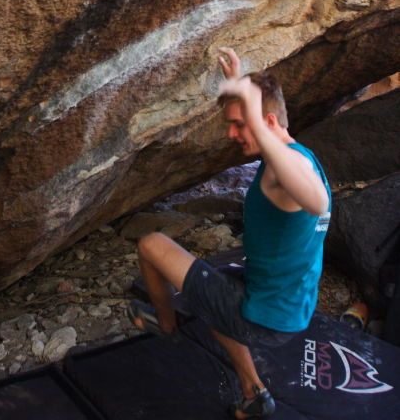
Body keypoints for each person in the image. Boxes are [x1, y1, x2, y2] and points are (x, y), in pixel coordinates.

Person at [128, 48, 331, 418]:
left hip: (263, 318)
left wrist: (252, 112)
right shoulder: (302, 154)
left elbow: (316, 201)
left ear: (268, 120)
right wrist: (242, 81)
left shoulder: (284, 173)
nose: (231, 133)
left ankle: (167, 324)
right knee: (210, 286)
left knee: (151, 244)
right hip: (289, 308)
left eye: (241, 123)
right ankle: (253, 394)